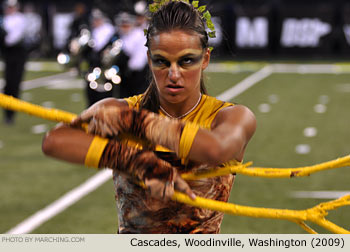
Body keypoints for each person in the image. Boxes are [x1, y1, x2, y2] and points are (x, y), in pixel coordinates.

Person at [42, 0, 256, 234]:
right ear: (149, 58)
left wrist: (136, 123)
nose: (174, 74)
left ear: (205, 58)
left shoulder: (231, 116)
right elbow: (55, 141)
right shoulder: (122, 108)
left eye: (186, 61)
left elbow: (217, 149)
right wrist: (133, 161)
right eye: (161, 61)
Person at [1, 0, 27, 125]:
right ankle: (7, 113)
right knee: (8, 83)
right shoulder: (4, 19)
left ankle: (11, 113)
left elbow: (12, 39)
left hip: (17, 53)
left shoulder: (19, 19)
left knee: (15, 82)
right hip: (8, 54)